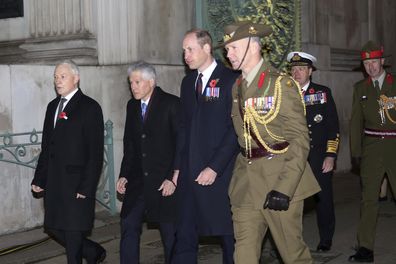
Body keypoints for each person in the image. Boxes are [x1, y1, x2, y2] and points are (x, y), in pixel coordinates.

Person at [222, 21, 321, 264]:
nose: (228, 54)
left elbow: (299, 140)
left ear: (253, 47)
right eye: (227, 49)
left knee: (293, 254)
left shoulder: (280, 84)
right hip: (246, 183)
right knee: (243, 254)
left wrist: (285, 188)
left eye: (233, 48)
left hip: (279, 180)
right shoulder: (237, 88)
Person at [172, 29, 239, 264]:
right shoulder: (188, 82)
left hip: (221, 172)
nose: (186, 55)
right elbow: (183, 128)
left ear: (207, 48)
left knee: (229, 234)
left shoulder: (231, 79)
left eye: (190, 49)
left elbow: (235, 130)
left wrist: (215, 167)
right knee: (185, 232)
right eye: (184, 51)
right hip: (190, 170)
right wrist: (178, 168)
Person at [31, 60, 106, 264]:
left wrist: (87, 186)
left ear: (76, 78)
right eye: (55, 77)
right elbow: (47, 147)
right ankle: (92, 251)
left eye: (62, 76)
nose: (58, 81)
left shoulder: (90, 107)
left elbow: (95, 153)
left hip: (76, 185)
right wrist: (39, 178)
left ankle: (87, 254)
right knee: (53, 227)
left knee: (73, 238)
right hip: (55, 184)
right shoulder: (52, 106)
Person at [116, 60, 180, 264]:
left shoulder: (171, 104)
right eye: (131, 82)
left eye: (137, 82)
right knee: (128, 224)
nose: (133, 87)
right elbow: (131, 145)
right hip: (137, 182)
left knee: (170, 235)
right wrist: (124, 174)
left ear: (151, 82)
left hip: (164, 182)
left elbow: (181, 146)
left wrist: (173, 178)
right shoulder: (131, 106)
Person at [287, 51, 340, 252]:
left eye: (301, 69)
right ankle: (291, 240)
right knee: (291, 200)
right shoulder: (285, 93)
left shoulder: (322, 93)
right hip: (292, 157)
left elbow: (333, 127)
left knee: (323, 199)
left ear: (310, 71)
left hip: (317, 155)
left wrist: (330, 155)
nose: (297, 73)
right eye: (293, 69)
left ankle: (326, 238)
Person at [349, 40, 396, 263]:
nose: (371, 67)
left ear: (382, 62)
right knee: (369, 200)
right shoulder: (361, 89)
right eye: (367, 63)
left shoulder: (394, 84)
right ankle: (365, 247)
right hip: (371, 150)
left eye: (374, 62)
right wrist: (356, 152)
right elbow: (355, 122)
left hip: (394, 147)